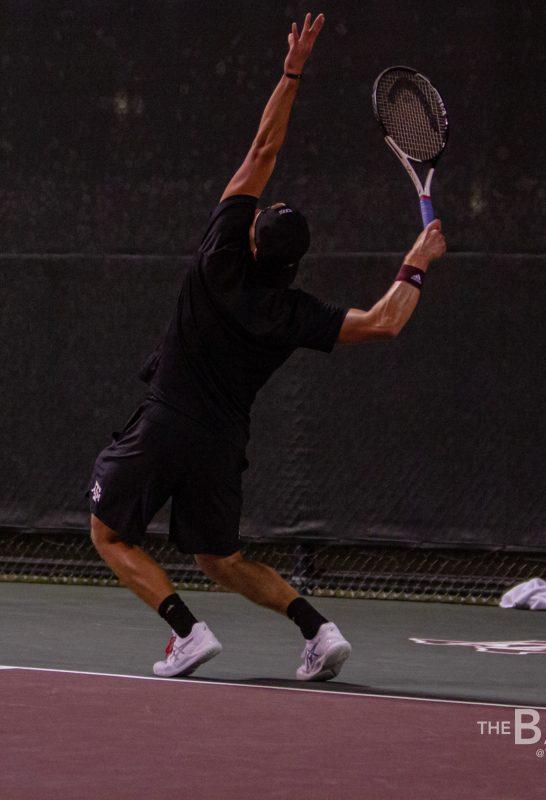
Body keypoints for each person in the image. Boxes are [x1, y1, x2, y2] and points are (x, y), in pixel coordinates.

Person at [87, 12, 447, 681]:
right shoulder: (291, 312)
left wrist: (293, 70)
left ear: (253, 240)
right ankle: (319, 630)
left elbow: (261, 152)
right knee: (219, 557)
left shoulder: (218, 255)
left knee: (107, 533)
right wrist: (417, 262)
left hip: (165, 422)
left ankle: (186, 634)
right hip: (222, 442)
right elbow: (383, 322)